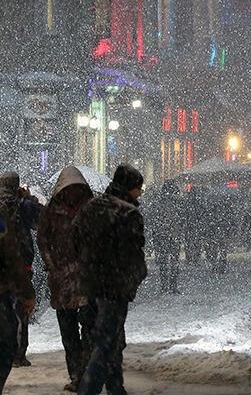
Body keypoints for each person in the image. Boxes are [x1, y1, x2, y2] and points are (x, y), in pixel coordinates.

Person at [73, 164, 147, 395]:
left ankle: (116, 387)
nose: (140, 193)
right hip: (114, 287)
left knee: (106, 340)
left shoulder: (90, 207)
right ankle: (89, 390)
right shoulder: (128, 213)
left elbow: (74, 242)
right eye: (138, 188)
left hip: (90, 284)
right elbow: (133, 254)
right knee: (106, 344)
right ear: (130, 187)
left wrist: (87, 267)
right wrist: (134, 279)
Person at [37, 166, 94, 391]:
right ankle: (76, 374)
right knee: (68, 331)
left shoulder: (90, 208)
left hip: (85, 279)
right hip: (62, 281)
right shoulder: (51, 211)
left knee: (88, 328)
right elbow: (43, 240)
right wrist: (53, 266)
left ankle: (86, 372)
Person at [0, 172, 35, 392]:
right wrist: (27, 291)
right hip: (7, 279)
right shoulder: (20, 206)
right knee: (9, 332)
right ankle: (19, 353)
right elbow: (10, 252)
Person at [12, 178, 43, 367]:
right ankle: (18, 353)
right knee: (21, 309)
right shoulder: (23, 205)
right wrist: (29, 198)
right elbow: (40, 219)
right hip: (22, 264)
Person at [153, 180, 182, 294]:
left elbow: (154, 219)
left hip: (162, 235)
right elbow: (181, 219)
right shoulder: (178, 202)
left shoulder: (158, 202)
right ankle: (172, 286)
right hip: (173, 235)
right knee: (173, 261)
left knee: (164, 261)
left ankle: (165, 285)